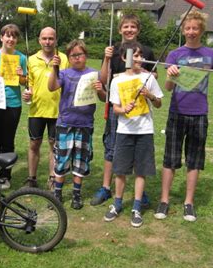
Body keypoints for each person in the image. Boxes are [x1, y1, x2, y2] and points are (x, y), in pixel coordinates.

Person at [154, 10, 213, 222]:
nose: (191, 31)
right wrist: (171, 75)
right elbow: (167, 87)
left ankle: (188, 203)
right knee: (170, 159)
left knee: (194, 159)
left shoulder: (210, 54)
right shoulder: (174, 55)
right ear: (183, 30)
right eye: (187, 28)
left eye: (195, 28)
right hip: (177, 112)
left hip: (200, 113)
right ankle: (164, 200)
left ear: (201, 30)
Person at [91, 14, 158, 207]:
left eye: (133, 27)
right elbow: (103, 79)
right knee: (112, 147)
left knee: (138, 149)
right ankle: (106, 187)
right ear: (120, 29)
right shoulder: (114, 50)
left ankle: (139, 193)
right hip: (118, 107)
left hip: (139, 109)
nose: (129, 30)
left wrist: (139, 70)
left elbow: (154, 75)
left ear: (138, 30)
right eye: (125, 27)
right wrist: (106, 57)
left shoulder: (145, 51)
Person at [103, 41, 163, 227]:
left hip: (144, 131)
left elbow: (159, 103)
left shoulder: (148, 79)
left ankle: (136, 207)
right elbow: (115, 108)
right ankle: (117, 203)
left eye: (140, 55)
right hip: (124, 131)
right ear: (124, 58)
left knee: (141, 170)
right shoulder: (117, 81)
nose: (139, 58)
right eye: (134, 55)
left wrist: (150, 96)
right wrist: (124, 110)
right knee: (120, 169)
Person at [48, 40, 105, 210]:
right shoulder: (64, 74)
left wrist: (100, 89)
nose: (77, 58)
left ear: (86, 55)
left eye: (80, 54)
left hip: (85, 124)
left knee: (80, 160)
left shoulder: (93, 74)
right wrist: (54, 68)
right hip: (65, 123)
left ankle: (76, 194)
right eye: (73, 55)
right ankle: (57, 193)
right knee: (62, 159)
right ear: (69, 57)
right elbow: (51, 87)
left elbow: (103, 98)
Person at [22, 27, 70, 188]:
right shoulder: (31, 59)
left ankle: (52, 178)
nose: (48, 42)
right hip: (37, 109)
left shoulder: (63, 58)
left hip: (58, 110)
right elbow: (30, 84)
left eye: (51, 38)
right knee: (34, 144)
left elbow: (69, 81)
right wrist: (27, 94)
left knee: (53, 145)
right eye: (44, 38)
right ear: (39, 40)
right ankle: (32, 178)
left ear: (56, 40)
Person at [0, 24, 27, 189]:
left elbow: (25, 82)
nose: (11, 39)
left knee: (8, 141)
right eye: (7, 36)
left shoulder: (21, 58)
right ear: (1, 37)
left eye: (14, 36)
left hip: (13, 103)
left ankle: (5, 177)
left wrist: (21, 76)